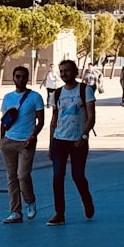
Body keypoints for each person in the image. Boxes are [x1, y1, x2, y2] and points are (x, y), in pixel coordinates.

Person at [47, 59, 96, 226]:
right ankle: (59, 213)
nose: (63, 74)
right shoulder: (57, 93)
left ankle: (87, 200)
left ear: (75, 72)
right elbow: (54, 119)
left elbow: (91, 117)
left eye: (66, 71)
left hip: (77, 141)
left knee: (78, 176)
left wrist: (83, 136)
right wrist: (50, 143)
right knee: (57, 177)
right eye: (61, 71)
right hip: (59, 140)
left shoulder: (85, 90)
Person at [0, 65, 45, 223]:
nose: (20, 79)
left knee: (23, 175)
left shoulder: (35, 97)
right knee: (12, 178)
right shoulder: (7, 97)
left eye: (23, 76)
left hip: (26, 142)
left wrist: (33, 136)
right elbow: (4, 120)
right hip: (8, 142)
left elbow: (41, 120)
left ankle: (30, 201)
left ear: (27, 78)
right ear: (13, 78)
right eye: (17, 76)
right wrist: (2, 140)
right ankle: (15, 211)